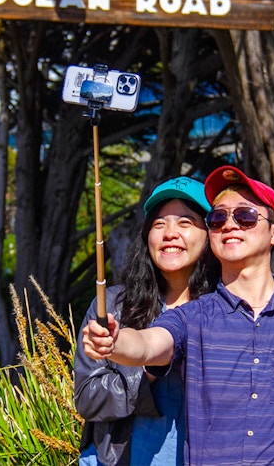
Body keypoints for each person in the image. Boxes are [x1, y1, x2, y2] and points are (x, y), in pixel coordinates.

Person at [83, 165, 274, 466]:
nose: (230, 225)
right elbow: (148, 344)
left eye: (246, 217)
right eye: (218, 218)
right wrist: (114, 342)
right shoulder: (191, 316)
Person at [74, 176, 220, 466]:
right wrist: (150, 367)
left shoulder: (225, 310)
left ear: (209, 235)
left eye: (186, 222)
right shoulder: (114, 305)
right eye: (159, 224)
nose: (170, 233)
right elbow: (88, 399)